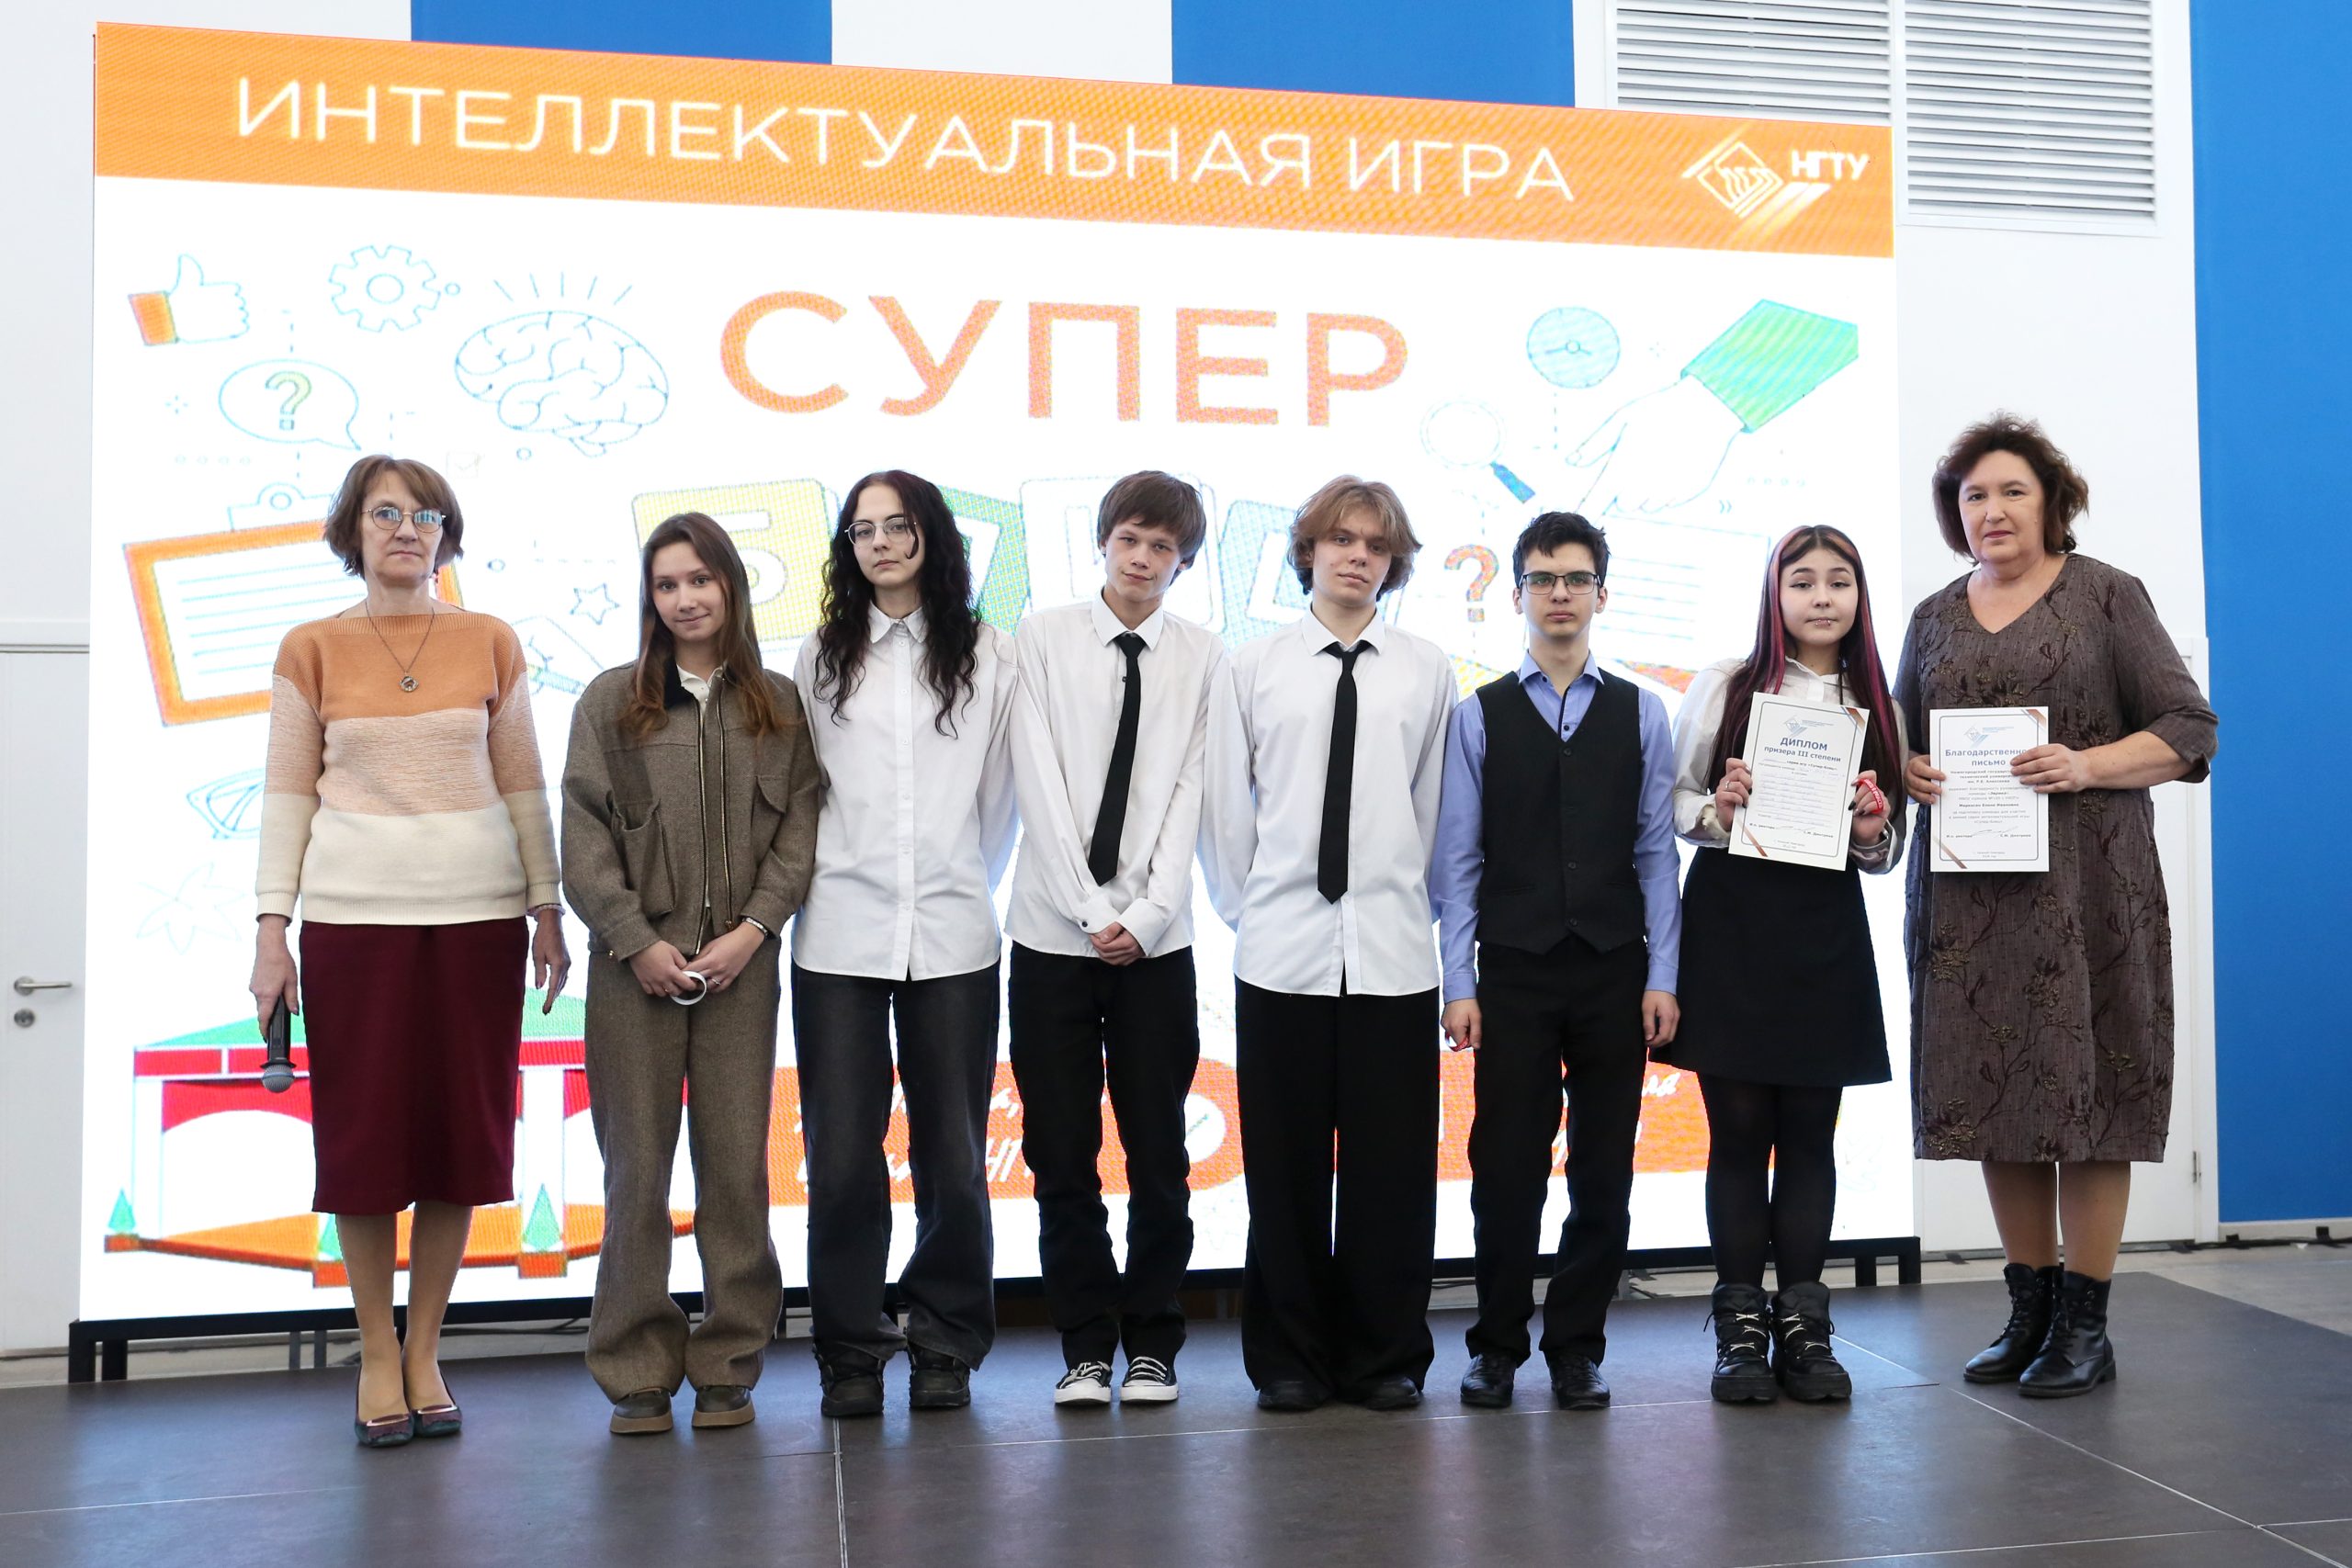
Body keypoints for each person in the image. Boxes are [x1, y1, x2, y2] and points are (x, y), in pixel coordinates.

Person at [246, 455, 569, 1448]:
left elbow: (523, 784)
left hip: (477, 922)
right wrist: (271, 929)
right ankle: (375, 1353)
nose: (405, 529)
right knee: (364, 1145)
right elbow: (286, 796)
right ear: (353, 529)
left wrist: (547, 906)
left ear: (446, 536)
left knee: (458, 1140)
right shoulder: (310, 648)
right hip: (352, 925)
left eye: (425, 516)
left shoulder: (490, 639)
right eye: (385, 512)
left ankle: (425, 1348)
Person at [1898, 414, 2217, 1398]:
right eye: (1973, 496)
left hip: (2090, 893)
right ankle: (2028, 1310)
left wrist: (2085, 764)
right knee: (1995, 1094)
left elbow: (2188, 727)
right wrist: (1906, 767)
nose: (1991, 511)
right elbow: (1897, 736)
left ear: (2052, 501)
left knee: (2092, 1097)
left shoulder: (2107, 594)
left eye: (2012, 491)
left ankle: (2086, 1323)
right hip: (1969, 902)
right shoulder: (1932, 617)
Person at [1201, 476, 1457, 1414]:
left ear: (1394, 564)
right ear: (1307, 550)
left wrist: (1407, 906)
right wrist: (1254, 911)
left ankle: (1385, 1355)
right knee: (1285, 1168)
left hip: (1392, 951)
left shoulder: (1425, 669)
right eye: (1341, 539)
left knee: (1394, 1170)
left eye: (1376, 546)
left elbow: (1435, 808)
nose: (1358, 556)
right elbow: (1225, 809)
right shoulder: (1252, 666)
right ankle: (1289, 1358)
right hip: (1281, 953)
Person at [561, 513, 820, 1436]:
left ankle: (728, 1362)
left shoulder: (778, 704)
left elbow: (798, 831)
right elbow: (584, 838)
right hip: (632, 972)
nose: (685, 599)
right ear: (651, 598)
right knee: (636, 1170)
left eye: (700, 580)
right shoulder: (609, 702)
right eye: (667, 584)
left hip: (741, 973)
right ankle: (635, 1368)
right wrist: (636, 940)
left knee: (736, 1168)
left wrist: (754, 930)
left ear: (730, 588)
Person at [1431, 511, 1681, 1413]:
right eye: (1542, 579)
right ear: (1517, 596)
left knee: (1603, 1169)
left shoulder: (1643, 711)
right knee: (1504, 1166)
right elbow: (1457, 860)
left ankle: (1577, 1346)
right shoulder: (1479, 715)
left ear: (1601, 594)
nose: (1560, 593)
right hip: (1514, 971)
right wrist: (1459, 982)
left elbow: (1656, 852)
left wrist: (1663, 974)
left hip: (1614, 969)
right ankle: (1496, 1345)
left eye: (1576, 578)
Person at [1658, 525, 1905, 1404]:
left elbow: (1887, 848)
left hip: (1822, 930)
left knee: (1808, 1134)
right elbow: (1674, 804)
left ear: (1859, 597)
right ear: (1775, 594)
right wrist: (1720, 807)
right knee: (1736, 1137)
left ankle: (1806, 1330)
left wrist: (1872, 828)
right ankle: (1740, 1332)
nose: (1822, 597)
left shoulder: (1876, 700)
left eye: (1840, 581)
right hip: (1731, 926)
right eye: (1803, 581)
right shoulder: (1727, 683)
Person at [791, 470, 1019, 1417]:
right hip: (838, 935)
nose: (880, 543)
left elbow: (999, 799)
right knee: (843, 1158)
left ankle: (944, 1342)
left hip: (954, 934)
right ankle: (850, 1349)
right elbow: (804, 791)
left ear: (930, 535)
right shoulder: (819, 656)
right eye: (862, 530)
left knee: (953, 1158)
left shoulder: (989, 653)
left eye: (896, 526)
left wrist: (956, 875)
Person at [1006, 472, 1225, 1407]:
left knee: (1159, 1153)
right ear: (1103, 541)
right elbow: (1037, 781)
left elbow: (1192, 792)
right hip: (1050, 936)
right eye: (1130, 539)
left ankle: (1153, 1343)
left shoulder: (1203, 655)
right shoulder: (1041, 637)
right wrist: (1088, 908)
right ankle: (1085, 1345)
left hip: (1155, 948)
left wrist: (1145, 914)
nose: (1142, 559)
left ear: (1184, 562)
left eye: (1163, 547)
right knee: (1060, 1153)